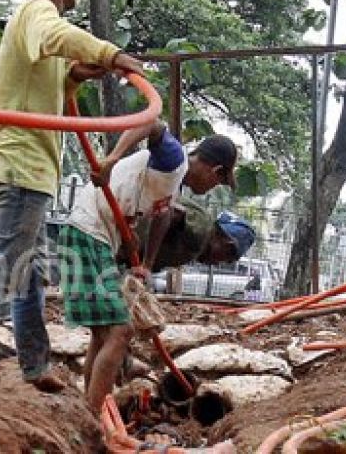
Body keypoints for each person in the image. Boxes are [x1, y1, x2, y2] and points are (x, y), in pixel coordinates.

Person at [0, 0, 144, 391]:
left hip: (27, 170)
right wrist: (109, 54)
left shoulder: (31, 23)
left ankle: (35, 365)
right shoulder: (37, 11)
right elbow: (55, 35)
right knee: (1, 266)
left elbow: (54, 69)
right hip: (22, 170)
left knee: (30, 274)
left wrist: (80, 72)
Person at [59, 129, 250, 412]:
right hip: (89, 233)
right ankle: (96, 418)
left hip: (95, 237)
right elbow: (152, 123)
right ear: (215, 170)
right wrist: (109, 161)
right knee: (120, 332)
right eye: (218, 182)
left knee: (104, 335)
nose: (212, 189)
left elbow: (163, 213)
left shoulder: (173, 186)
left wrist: (142, 259)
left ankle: (90, 411)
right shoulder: (175, 160)